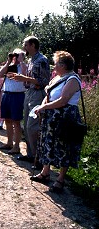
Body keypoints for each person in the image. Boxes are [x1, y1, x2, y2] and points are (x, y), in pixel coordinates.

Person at [30, 51, 82, 193]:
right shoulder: (58, 78)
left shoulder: (73, 79)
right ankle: (45, 172)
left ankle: (60, 179)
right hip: (51, 116)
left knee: (64, 146)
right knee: (48, 143)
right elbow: (49, 95)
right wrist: (42, 107)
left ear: (64, 65)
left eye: (56, 63)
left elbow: (63, 100)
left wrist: (45, 107)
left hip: (65, 118)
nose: (54, 66)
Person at [11, 36, 50, 168]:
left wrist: (25, 78)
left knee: (32, 126)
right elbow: (30, 79)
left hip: (38, 94)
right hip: (29, 93)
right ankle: (30, 155)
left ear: (33, 45)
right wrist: (21, 78)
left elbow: (44, 81)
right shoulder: (31, 60)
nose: (24, 47)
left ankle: (38, 157)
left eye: (26, 45)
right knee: (26, 124)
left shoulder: (42, 60)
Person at [0, 48, 27, 154]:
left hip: (18, 95)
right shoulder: (9, 66)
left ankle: (17, 146)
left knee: (16, 121)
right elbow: (0, 74)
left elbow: (25, 74)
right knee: (7, 120)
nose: (16, 57)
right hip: (7, 94)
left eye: (18, 55)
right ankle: (9, 142)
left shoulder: (23, 66)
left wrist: (21, 60)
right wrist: (8, 61)